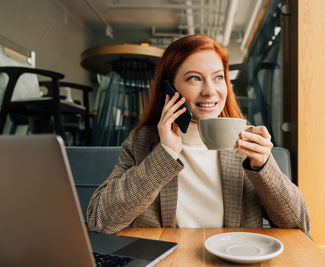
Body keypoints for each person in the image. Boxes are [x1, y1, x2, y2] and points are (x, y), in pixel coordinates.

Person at [87, 35, 310, 234]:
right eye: (194, 78)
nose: (210, 91)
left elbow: (299, 223)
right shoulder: (142, 141)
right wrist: (165, 153)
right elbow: (100, 221)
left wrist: (263, 165)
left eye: (218, 77)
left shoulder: (247, 142)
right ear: (170, 88)